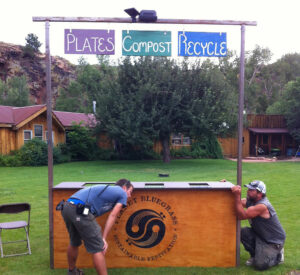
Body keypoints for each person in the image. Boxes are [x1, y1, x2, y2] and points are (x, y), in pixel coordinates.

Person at [61, 179, 134, 275]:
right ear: (124, 187)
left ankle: (72, 272)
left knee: (74, 241)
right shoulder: (121, 192)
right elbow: (113, 215)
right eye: (130, 192)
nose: (130, 196)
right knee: (98, 247)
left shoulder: (109, 190)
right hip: (79, 209)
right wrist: (103, 238)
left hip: (67, 207)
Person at [231, 180, 286, 270]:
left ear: (260, 194)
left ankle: (278, 255)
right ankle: (255, 255)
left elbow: (242, 216)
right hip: (261, 235)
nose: (248, 191)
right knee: (242, 232)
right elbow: (239, 203)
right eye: (248, 189)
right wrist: (227, 189)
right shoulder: (251, 201)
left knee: (260, 265)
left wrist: (237, 196)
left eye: (252, 190)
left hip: (273, 242)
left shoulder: (262, 206)